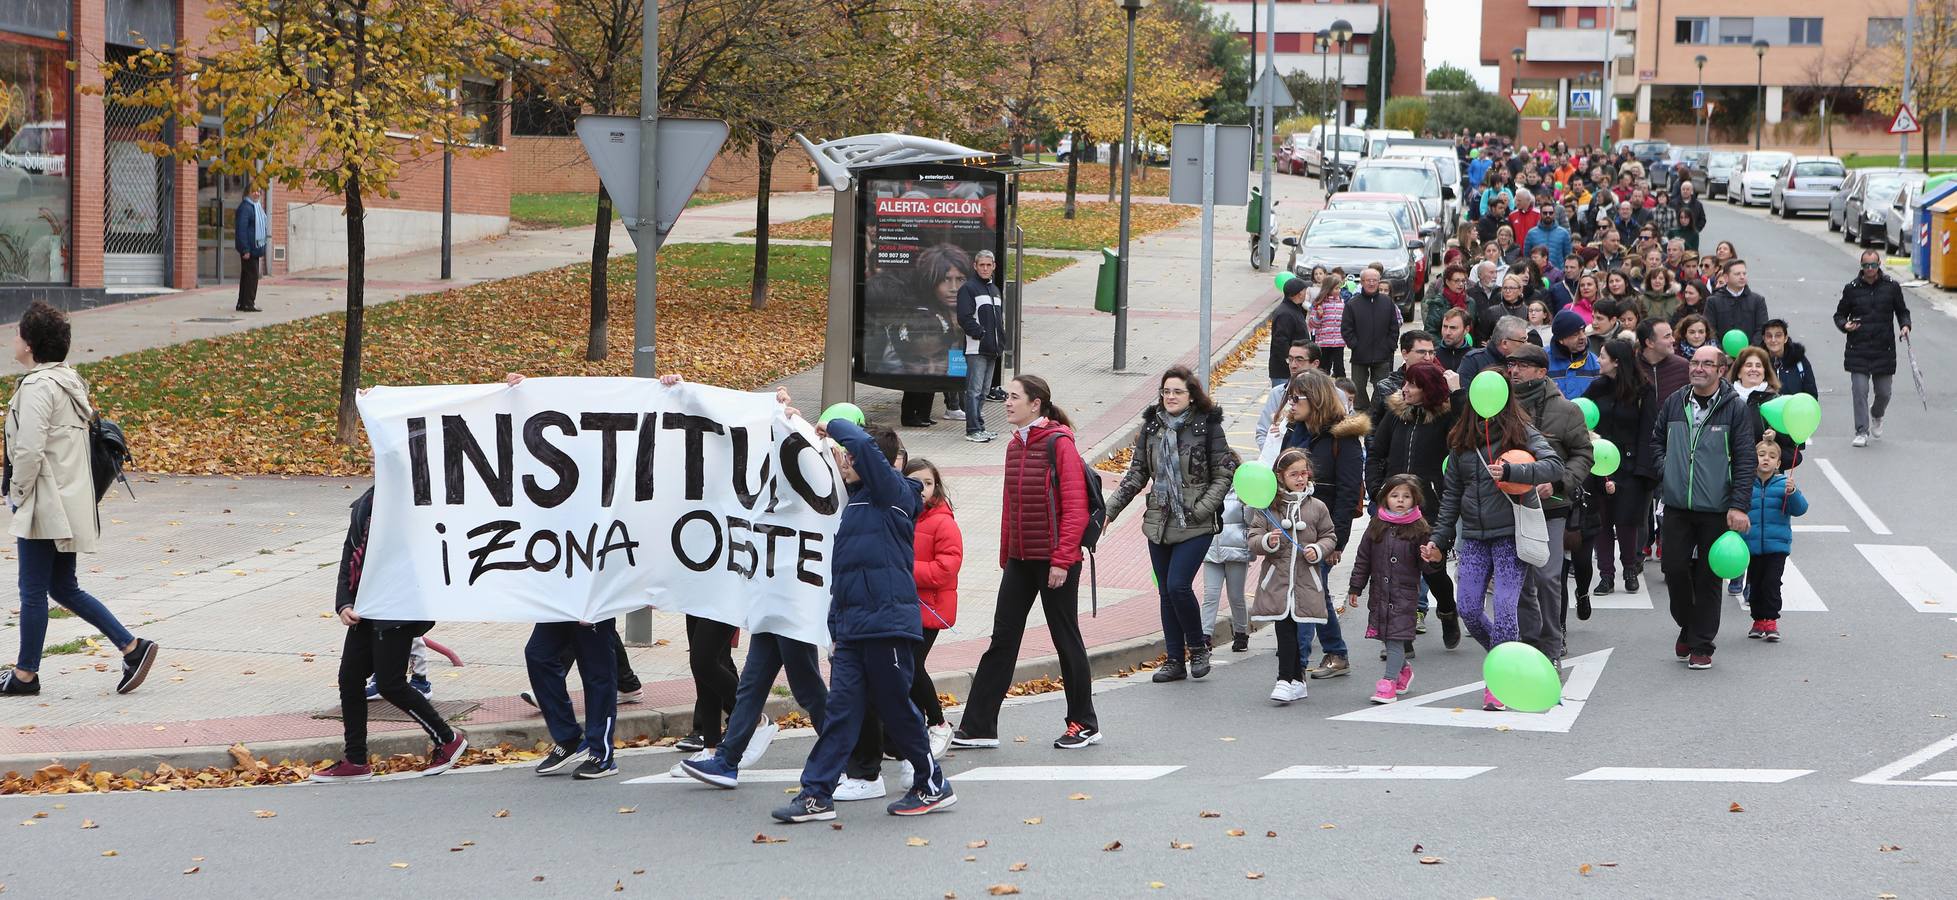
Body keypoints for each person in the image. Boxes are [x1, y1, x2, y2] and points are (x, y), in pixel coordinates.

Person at [773, 416, 953, 824]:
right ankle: (816, 793)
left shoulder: (894, 493)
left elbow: (861, 445)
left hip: (888, 625)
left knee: (896, 708)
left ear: (879, 462)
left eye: (853, 457)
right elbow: (846, 575)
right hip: (854, 631)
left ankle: (932, 782)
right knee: (841, 711)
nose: (845, 461)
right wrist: (836, 629)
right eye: (844, 457)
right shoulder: (852, 503)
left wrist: (833, 422)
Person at [1, 303, 159, 698]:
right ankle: (133, 647)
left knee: (34, 590)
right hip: (68, 501)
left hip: (44, 503)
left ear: (32, 344)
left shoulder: (38, 387)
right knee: (63, 587)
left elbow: (29, 451)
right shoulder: (70, 382)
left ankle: (25, 675)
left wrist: (16, 496)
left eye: (19, 334)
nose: (14, 340)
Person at [952, 376, 1101, 750]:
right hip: (1020, 559)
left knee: (1065, 639)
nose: (1007, 402)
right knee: (1002, 640)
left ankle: (1083, 722)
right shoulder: (1014, 445)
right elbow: (1011, 507)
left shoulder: (1058, 443)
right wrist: (1006, 554)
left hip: (1055, 561)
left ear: (1036, 404)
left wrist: (1062, 560)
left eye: (1014, 397)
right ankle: (979, 727)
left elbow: (1075, 508)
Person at [311, 487, 468, 782]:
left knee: (390, 683)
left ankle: (448, 740)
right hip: (365, 607)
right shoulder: (366, 502)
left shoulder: (415, 505)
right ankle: (356, 760)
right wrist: (343, 602)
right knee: (350, 679)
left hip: (398, 609)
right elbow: (350, 551)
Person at [1423, 385, 1564, 710]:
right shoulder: (1461, 440)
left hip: (1510, 536)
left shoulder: (1521, 431)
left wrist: (1514, 471)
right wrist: (1438, 539)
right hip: (1473, 537)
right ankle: (1506, 662)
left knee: (1504, 610)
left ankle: (1497, 683)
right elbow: (1451, 497)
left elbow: (1554, 466)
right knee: (1469, 609)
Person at [1106, 367, 1236, 682]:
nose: (1171, 397)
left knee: (1179, 585)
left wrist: (1203, 508)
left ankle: (1198, 647)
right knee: (1166, 591)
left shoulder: (1207, 426)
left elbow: (1224, 473)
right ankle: (1175, 660)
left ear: (1191, 395)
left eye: (1177, 391)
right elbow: (1137, 474)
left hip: (1196, 521)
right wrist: (1110, 510)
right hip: (1159, 521)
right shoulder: (1152, 427)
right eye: (1166, 391)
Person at [1648, 346, 1756, 671]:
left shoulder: (1734, 409)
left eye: (1707, 364)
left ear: (1721, 370)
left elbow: (1746, 459)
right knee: (1674, 569)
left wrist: (1738, 505)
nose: (1698, 368)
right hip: (1678, 504)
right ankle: (1688, 624)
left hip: (1717, 509)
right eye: (1695, 362)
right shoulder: (1675, 401)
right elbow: (1655, 441)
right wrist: (1667, 471)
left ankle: (1701, 643)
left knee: (1709, 578)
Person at [1274, 370, 1370, 679]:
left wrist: (1336, 543)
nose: (1291, 403)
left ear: (1314, 399)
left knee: (1306, 594)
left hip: (1321, 532)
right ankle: (1337, 652)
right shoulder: (1295, 431)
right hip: (1291, 527)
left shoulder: (1344, 438)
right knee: (1316, 590)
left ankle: (1296, 667)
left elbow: (1347, 493)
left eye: (1296, 398)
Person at [1504, 343, 1593, 664]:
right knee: (1522, 581)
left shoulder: (1567, 411)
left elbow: (1585, 454)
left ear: (1541, 372)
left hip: (1553, 508)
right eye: (1511, 365)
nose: (1514, 371)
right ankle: (1530, 644)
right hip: (1511, 507)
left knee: (1546, 577)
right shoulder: (1502, 407)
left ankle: (1553, 647)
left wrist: (1556, 482)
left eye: (1522, 366)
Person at [1367, 361, 1462, 649]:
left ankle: (1447, 611)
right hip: (1393, 509)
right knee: (1396, 574)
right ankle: (1400, 639)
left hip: (1431, 510)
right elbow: (1375, 452)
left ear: (1429, 389)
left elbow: (1466, 439)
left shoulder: (1446, 419)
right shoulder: (1396, 415)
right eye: (1405, 383)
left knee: (1433, 572)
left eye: (1413, 384)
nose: (1404, 389)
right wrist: (1377, 490)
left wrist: (1457, 394)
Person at [1246, 449, 1337, 704]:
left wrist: (1318, 549)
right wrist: (1268, 541)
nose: (1300, 479)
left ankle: (1296, 680)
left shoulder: (1317, 507)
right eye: (1293, 474)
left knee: (1298, 629)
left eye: (1303, 473)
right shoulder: (1267, 508)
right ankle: (1284, 679)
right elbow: (1252, 539)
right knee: (1284, 628)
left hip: (1306, 579)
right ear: (1280, 477)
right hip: (1278, 580)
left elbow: (1329, 535)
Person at [1582, 339, 1659, 606]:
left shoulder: (1643, 390)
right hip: (1598, 463)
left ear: (1617, 361)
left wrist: (1644, 471)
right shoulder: (1596, 387)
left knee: (1627, 520)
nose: (1598, 360)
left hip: (1629, 464)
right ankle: (1605, 575)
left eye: (1602, 356)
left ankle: (1629, 568)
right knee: (1601, 521)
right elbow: (1582, 417)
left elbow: (1649, 430)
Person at [1345, 475, 1431, 705]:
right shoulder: (1377, 525)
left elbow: (1426, 565)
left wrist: (1430, 558)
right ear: (1385, 499)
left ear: (1415, 499)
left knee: (1395, 638)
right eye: (1395, 496)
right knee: (1385, 635)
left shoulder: (1419, 528)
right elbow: (1363, 558)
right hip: (1380, 593)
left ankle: (1388, 681)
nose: (1400, 501)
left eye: (1406, 496)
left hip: (1404, 595)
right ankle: (1404, 670)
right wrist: (1356, 586)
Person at [1833, 249, 1911, 447]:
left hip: (1883, 348)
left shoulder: (1891, 286)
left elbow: (1902, 311)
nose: (1870, 269)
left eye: (1873, 265)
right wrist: (1845, 325)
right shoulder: (1851, 288)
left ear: (1879, 265)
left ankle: (1877, 414)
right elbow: (1839, 315)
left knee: (1884, 393)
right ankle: (1861, 431)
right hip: (1858, 349)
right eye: (1866, 265)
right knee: (1859, 390)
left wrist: (1905, 326)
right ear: (1861, 266)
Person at [1742, 438, 1807, 643]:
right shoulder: (1745, 485)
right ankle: (1757, 620)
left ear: (1778, 463)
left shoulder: (1783, 485)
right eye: (1761, 455)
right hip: (1752, 545)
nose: (1766, 460)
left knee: (1771, 583)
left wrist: (1793, 493)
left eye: (1771, 456)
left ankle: (1771, 620)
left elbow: (1800, 509)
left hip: (1777, 545)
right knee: (1755, 583)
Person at [956, 250, 1006, 443]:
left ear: (994, 266)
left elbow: (998, 320)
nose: (985, 268)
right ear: (975, 266)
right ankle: (973, 429)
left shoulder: (995, 290)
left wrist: (999, 341)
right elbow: (964, 317)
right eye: (981, 265)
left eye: (988, 265)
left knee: (984, 391)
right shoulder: (968, 288)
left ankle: (980, 427)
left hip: (992, 349)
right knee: (974, 390)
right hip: (976, 348)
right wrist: (981, 334)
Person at [1341, 267, 1402, 410]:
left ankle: (1376, 410)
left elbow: (1394, 327)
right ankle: (1363, 410)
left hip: (1382, 354)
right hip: (1360, 355)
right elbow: (1346, 329)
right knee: (1358, 387)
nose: (1372, 283)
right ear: (1362, 282)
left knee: (1382, 387)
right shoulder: (1352, 304)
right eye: (1368, 280)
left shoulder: (1387, 302)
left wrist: (1390, 346)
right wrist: (1354, 345)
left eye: (1375, 280)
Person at [1201, 493, 1253, 653]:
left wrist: (1249, 504)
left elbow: (1251, 521)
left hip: (1236, 550)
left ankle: (1241, 634)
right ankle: (1204, 637)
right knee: (1210, 595)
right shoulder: (1209, 487)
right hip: (1210, 550)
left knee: (1236, 596)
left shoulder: (1242, 490)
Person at [1258, 340, 1318, 452]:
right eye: (1290, 359)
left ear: (1315, 364)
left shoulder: (1334, 394)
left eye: (1299, 360)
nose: (1293, 365)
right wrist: (1274, 456)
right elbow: (1262, 432)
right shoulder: (1278, 393)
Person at [1708, 260, 1769, 345]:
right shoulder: (1713, 301)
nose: (1742, 277)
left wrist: (1750, 351)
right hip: (1721, 354)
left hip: (1751, 354)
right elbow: (1710, 329)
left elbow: (1762, 329)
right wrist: (1721, 353)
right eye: (1737, 274)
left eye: (1744, 273)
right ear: (1726, 277)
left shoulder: (1758, 300)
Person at [1268, 275, 1312, 386]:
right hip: (1284, 373)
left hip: (1295, 369)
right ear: (1299, 294)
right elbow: (1280, 342)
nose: (1306, 294)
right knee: (1283, 400)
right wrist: (1292, 361)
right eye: (1305, 291)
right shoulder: (1285, 314)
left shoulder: (1295, 309)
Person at [1549, 310, 1602, 399]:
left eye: (1583, 331)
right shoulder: (1544, 360)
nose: (1583, 337)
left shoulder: (1595, 363)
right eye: (1575, 334)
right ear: (1561, 339)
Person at [1761, 319, 1819, 400]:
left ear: (1785, 338)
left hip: (1795, 411)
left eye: (1778, 335)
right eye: (1769, 336)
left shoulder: (1799, 360)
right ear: (1764, 338)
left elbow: (1811, 396)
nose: (1773, 340)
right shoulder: (1757, 362)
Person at [1637, 318, 1690, 403]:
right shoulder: (1632, 366)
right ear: (1650, 343)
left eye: (1671, 335)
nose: (1673, 340)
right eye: (1667, 336)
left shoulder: (1683, 366)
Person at [1307, 273, 1348, 378]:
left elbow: (1346, 322)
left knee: (1339, 369)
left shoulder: (1342, 304)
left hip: (1338, 342)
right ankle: (1322, 389)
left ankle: (1342, 390)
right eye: (1335, 288)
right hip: (1324, 342)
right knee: (1323, 369)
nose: (1338, 291)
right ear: (1328, 289)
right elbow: (1313, 324)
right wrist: (1319, 316)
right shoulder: (1319, 304)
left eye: (1339, 288)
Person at [234, 187, 268, 313]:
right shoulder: (246, 208)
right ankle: (249, 303)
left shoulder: (256, 207)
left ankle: (242, 303)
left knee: (247, 276)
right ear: (247, 192)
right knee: (252, 277)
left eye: (259, 191)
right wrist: (245, 249)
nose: (257, 193)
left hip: (254, 248)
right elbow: (241, 230)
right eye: (253, 191)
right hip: (249, 249)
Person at [1424, 264, 1471, 336]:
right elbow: (1430, 333)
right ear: (1447, 282)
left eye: (1463, 281)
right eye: (1456, 281)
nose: (1461, 284)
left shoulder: (1470, 302)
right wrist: (1445, 346)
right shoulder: (1437, 304)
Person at [1524, 198, 1572, 266]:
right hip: (1537, 273)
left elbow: (1568, 256)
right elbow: (1527, 257)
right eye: (1545, 213)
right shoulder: (1531, 233)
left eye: (1551, 213)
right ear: (1540, 214)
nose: (1548, 215)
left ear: (1554, 214)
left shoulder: (1564, 233)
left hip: (1558, 274)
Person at [1436, 308, 1474, 372]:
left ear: (1466, 330)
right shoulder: (1433, 355)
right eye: (1445, 326)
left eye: (1453, 328)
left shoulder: (1474, 357)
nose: (1447, 332)